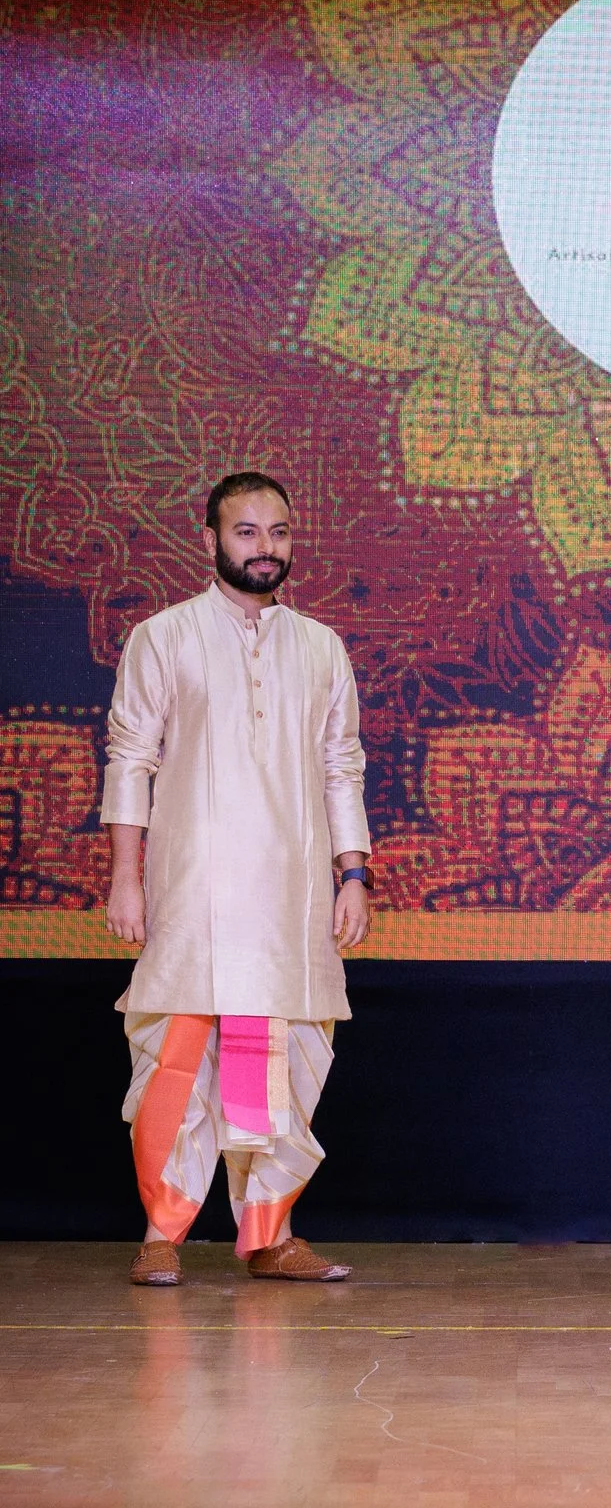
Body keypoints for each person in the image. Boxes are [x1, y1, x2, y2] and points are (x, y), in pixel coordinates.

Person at [102, 471, 372, 1286]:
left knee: (285, 1063)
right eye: (247, 531)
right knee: (174, 1064)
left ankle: (270, 1233)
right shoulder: (166, 637)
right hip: (194, 892)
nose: (265, 547)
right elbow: (130, 760)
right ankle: (162, 1231)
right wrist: (127, 877)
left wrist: (351, 874)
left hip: (290, 903)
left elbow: (341, 770)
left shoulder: (321, 646)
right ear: (211, 539)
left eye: (278, 532)